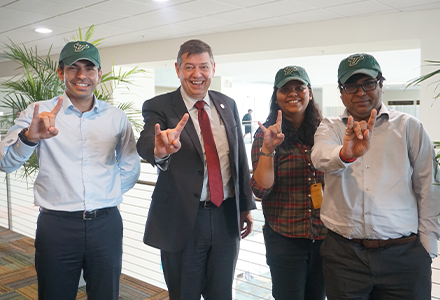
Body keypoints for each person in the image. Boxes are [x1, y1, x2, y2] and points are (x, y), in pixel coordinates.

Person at [0, 41, 141, 300]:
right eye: (73, 68)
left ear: (99, 74)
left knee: (106, 295)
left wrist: (103, 195)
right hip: (57, 226)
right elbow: (6, 163)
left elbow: (131, 168)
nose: (81, 75)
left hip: (106, 225)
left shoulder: (116, 117)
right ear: (60, 72)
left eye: (89, 68)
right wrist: (29, 139)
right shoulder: (37, 113)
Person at [311, 53, 440, 299]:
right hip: (344, 257)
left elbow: (429, 187)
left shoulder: (409, 126)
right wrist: (345, 154)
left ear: (381, 84)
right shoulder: (331, 127)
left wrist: (428, 249)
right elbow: (320, 156)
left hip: (404, 256)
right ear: (341, 92)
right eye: (351, 85)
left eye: (368, 83)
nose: (360, 92)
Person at [136, 39, 256, 300]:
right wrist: (160, 149)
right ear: (177, 69)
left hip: (225, 217)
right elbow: (147, 142)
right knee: (184, 294)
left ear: (213, 68)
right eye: (189, 67)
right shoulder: (159, 106)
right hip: (182, 220)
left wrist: (245, 206)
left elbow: (238, 159)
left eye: (203, 67)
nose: (197, 74)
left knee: (222, 293)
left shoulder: (228, 104)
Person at [251, 66, 326, 300]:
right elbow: (261, 189)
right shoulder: (266, 134)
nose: (293, 93)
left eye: (299, 87)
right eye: (285, 89)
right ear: (276, 96)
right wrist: (267, 149)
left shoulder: (325, 132)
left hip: (325, 237)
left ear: (310, 93)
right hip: (285, 237)